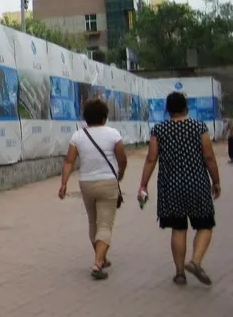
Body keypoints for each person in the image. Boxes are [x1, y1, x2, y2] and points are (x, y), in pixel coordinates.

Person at [138, 91, 221, 286]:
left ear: (168, 109)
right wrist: (216, 181)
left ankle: (180, 274)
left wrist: (143, 184)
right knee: (204, 225)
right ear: (186, 107)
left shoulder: (159, 130)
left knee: (178, 228)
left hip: (170, 186)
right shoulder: (199, 127)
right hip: (197, 184)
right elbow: (209, 156)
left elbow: (151, 159)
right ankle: (195, 261)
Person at [58, 98, 127, 280]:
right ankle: (97, 263)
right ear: (105, 117)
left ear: (86, 117)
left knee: (93, 223)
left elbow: (69, 162)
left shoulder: (77, 136)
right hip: (108, 182)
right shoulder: (113, 134)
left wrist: (64, 184)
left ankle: (101, 257)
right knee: (105, 224)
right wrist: (120, 174)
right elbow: (122, 159)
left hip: (86, 183)